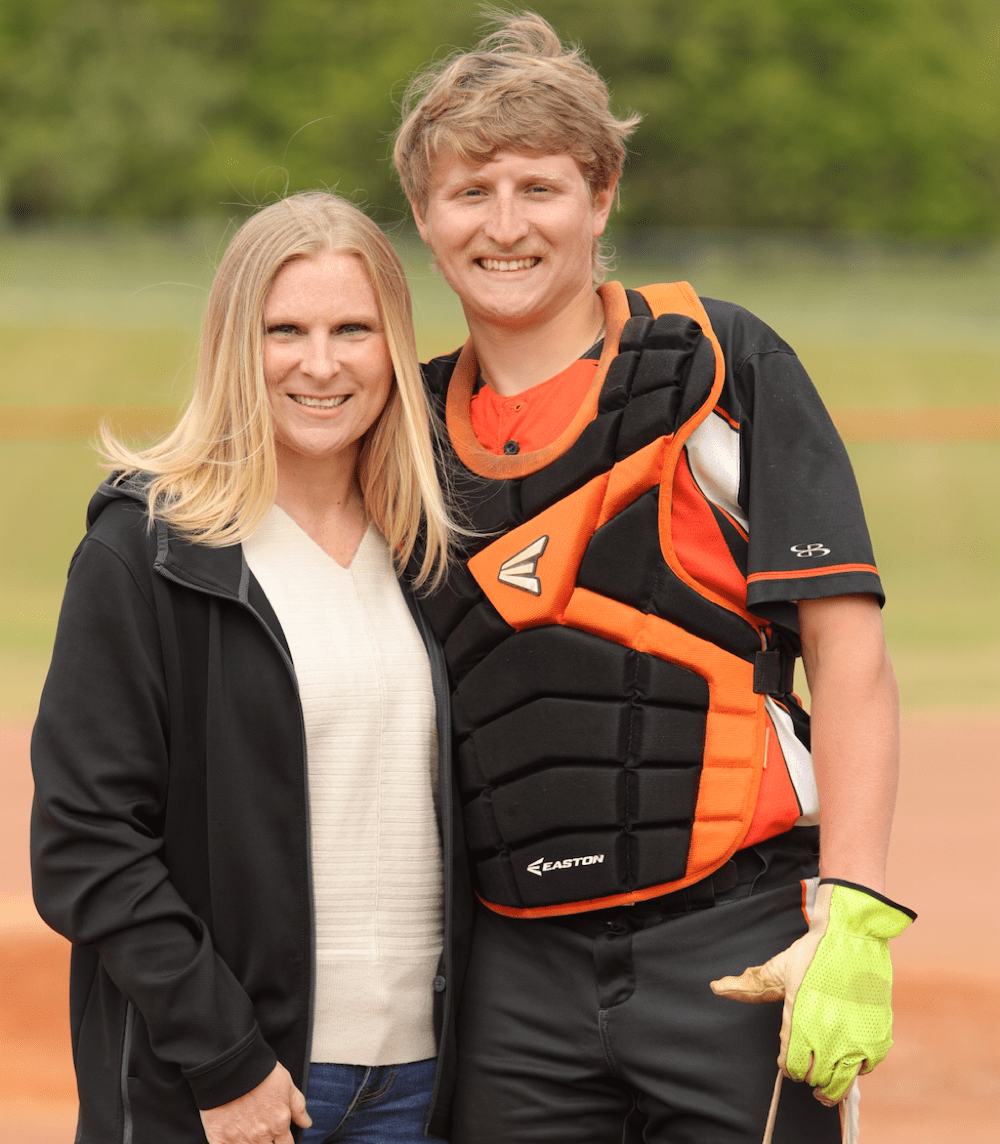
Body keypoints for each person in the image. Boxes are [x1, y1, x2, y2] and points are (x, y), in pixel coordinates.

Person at [391, 13, 915, 1144]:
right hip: (512, 973)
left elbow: (847, 651)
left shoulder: (717, 365)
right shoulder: (401, 434)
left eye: (539, 188)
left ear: (601, 195)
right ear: (425, 218)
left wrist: (853, 916)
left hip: (735, 942)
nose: (505, 225)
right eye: (470, 192)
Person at [30, 192, 473, 1144]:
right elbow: (85, 843)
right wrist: (224, 1059)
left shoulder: (433, 548)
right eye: (285, 331)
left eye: (352, 330)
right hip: (241, 1087)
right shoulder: (145, 550)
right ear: (237, 343)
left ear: (395, 346)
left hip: (426, 1087)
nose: (321, 364)